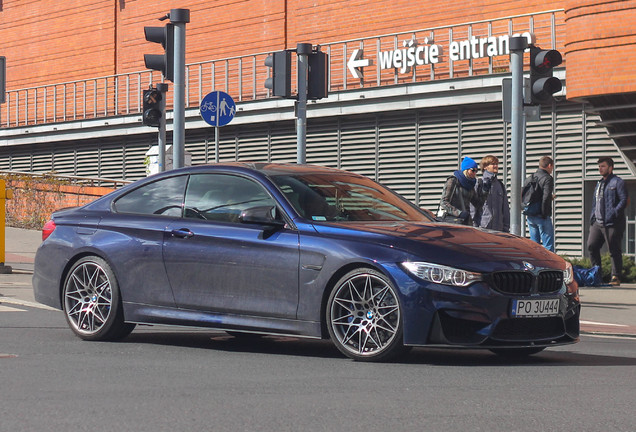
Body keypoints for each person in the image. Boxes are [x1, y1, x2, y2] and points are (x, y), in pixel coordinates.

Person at [587, 156, 628, 286]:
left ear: (610, 168)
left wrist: (614, 213)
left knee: (614, 249)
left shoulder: (617, 182)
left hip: (613, 223)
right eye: (599, 166)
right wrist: (593, 216)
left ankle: (616, 276)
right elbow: (595, 202)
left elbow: (624, 200)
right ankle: (597, 274)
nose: (600, 169)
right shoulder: (599, 183)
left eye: (603, 166)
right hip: (597, 222)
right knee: (591, 246)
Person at [439, 156, 488, 226]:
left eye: (476, 171)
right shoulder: (453, 181)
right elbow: (444, 202)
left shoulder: (470, 184)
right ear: (466, 170)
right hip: (452, 221)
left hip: (466, 222)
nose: (475, 173)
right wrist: (459, 213)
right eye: (473, 170)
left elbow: (478, 204)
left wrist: (485, 191)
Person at [471, 155, 510, 232]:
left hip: (499, 230)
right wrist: (474, 227)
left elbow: (505, 209)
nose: (496, 166)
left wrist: (506, 228)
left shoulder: (500, 185)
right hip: (482, 229)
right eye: (493, 164)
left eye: (497, 164)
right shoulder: (479, 184)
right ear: (485, 167)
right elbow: (472, 208)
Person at [525, 155, 555, 252]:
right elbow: (545, 197)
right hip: (541, 215)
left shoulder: (531, 177)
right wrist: (544, 213)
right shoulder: (547, 178)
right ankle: (550, 266)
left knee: (534, 246)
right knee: (548, 246)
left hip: (530, 214)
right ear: (550, 165)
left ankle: (535, 265)